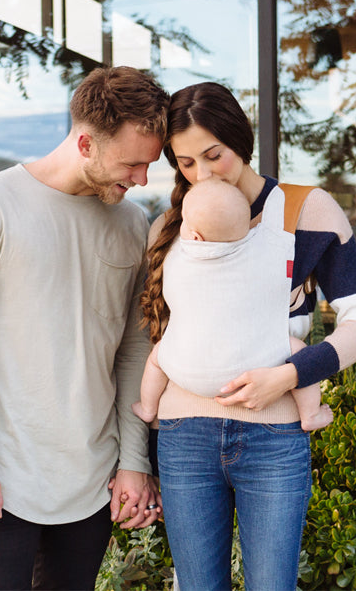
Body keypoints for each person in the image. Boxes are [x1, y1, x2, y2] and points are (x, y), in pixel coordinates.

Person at [139, 82, 356, 590]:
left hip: (274, 438)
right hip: (184, 437)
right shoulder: (171, 228)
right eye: (186, 163)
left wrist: (290, 375)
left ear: (242, 141)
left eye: (214, 155)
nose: (203, 174)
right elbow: (159, 340)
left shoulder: (305, 212)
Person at [0, 66, 169, 590]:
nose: (142, 180)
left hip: (92, 478)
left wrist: (133, 460)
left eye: (149, 165)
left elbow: (133, 351)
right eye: (133, 163)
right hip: (0, 478)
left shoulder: (131, 224)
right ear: (85, 143)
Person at [131, 178, 334, 432]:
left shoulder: (174, 259)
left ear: (194, 235)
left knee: (156, 358)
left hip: (188, 373)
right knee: (300, 351)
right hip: (258, 365)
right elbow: (276, 239)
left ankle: (148, 408)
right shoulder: (265, 253)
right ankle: (310, 414)